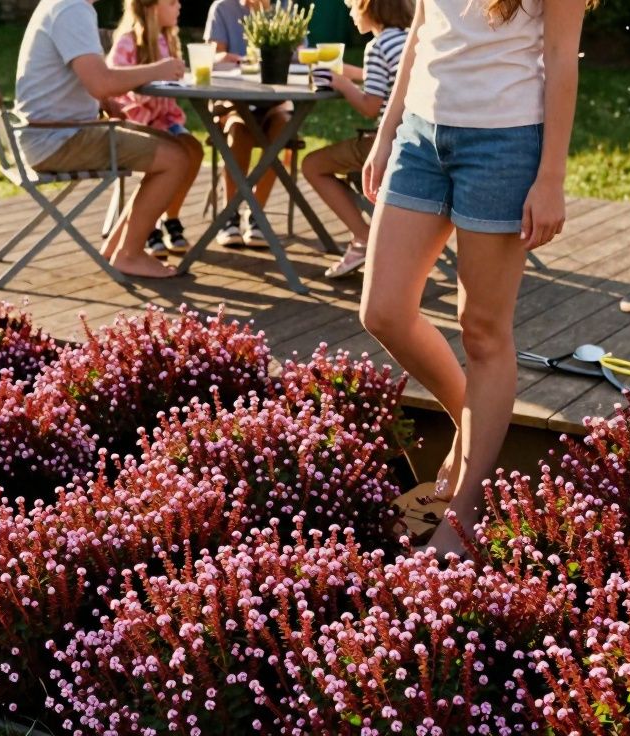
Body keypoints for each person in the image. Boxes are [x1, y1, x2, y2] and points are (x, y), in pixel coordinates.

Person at [359, 0, 590, 556]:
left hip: (504, 143)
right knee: (382, 310)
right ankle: (472, 423)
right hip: (420, 133)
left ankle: (461, 517)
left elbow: (561, 57)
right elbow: (420, 27)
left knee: (483, 331)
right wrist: (387, 130)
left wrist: (551, 177)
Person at [13, 0, 189, 279]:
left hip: (52, 133)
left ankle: (119, 247)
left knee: (179, 149)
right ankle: (129, 254)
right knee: (176, 159)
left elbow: (90, 78)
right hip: (57, 139)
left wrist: (106, 102)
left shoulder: (63, 5)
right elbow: (101, 81)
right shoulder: (72, 9)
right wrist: (158, 69)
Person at [301, 0, 411, 279]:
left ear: (369, 8)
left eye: (352, 6)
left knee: (312, 165)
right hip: (413, 141)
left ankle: (363, 237)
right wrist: (345, 75)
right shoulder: (408, 38)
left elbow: (370, 106)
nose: (350, 14)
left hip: (388, 146)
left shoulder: (377, 46)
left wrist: (342, 84)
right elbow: (384, 83)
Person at [107, 0, 206, 258]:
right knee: (175, 154)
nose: (180, 6)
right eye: (172, 2)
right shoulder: (127, 42)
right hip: (135, 120)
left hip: (165, 119)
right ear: (151, 7)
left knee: (194, 150)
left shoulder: (167, 40)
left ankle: (170, 217)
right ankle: (146, 225)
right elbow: (115, 84)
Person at [203, 0, 292, 248]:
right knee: (239, 129)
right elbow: (213, 56)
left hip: (274, 102)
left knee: (283, 128)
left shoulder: (284, 10)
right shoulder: (223, 8)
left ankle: (256, 214)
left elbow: (297, 57)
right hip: (232, 102)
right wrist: (234, 58)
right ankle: (229, 215)